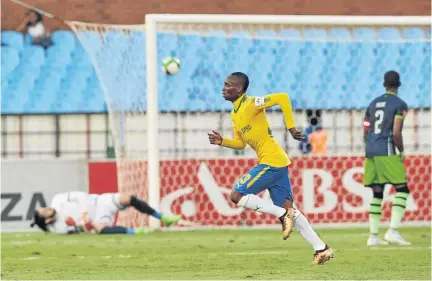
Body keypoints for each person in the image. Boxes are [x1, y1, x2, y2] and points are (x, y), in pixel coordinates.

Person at [208, 72, 333, 265]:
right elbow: (240, 144)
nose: (223, 87)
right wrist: (222, 141)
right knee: (291, 210)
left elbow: (282, 97)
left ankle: (281, 215)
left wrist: (291, 128)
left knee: (236, 195)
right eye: (224, 84)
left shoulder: (251, 103)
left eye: (228, 84)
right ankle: (321, 249)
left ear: (239, 89)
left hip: (272, 162)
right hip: (277, 163)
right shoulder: (235, 113)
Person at [363, 70, 411, 246]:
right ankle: (392, 231)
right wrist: (402, 151)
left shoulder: (372, 103)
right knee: (402, 189)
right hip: (387, 150)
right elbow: (396, 132)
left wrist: (369, 148)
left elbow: (365, 131)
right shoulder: (400, 104)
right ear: (398, 85)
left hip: (371, 152)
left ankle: (373, 236)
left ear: (384, 84)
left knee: (377, 192)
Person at [30, 191, 181, 235]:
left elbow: (80, 196)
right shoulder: (60, 228)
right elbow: (81, 229)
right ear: (47, 220)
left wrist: (83, 214)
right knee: (98, 229)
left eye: (44, 208)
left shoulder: (58, 199)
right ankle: (135, 231)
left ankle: (163, 218)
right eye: (44, 212)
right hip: (98, 218)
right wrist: (86, 225)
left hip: (99, 201)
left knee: (127, 198)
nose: (47, 209)